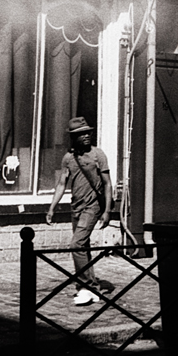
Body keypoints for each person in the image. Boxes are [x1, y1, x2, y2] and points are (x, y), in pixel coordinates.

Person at [46, 116, 114, 306]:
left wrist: (107, 211)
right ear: (73, 137)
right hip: (76, 206)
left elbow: (108, 184)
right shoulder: (68, 158)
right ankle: (92, 287)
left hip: (93, 206)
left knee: (76, 245)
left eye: (87, 133)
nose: (85, 136)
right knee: (83, 247)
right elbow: (61, 184)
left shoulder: (97, 155)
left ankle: (85, 287)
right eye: (80, 134)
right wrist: (52, 208)